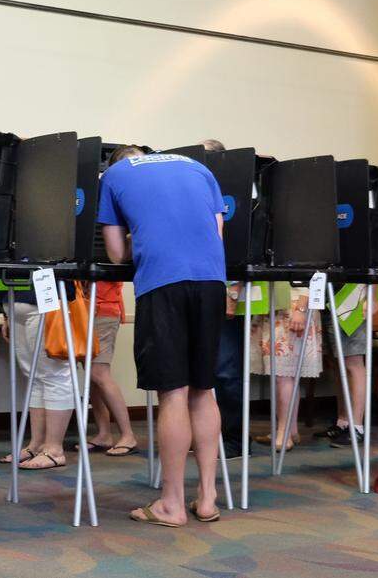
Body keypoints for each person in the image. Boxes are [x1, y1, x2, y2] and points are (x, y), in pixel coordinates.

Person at [98, 144, 226, 527]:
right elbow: (216, 232)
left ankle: (171, 503)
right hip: (211, 280)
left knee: (173, 394)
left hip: (163, 282)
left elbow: (117, 252)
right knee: (203, 391)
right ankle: (207, 496)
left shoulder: (114, 175)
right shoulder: (197, 167)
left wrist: (142, 232)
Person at [201, 138, 247, 458]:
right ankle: (208, 435)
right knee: (205, 371)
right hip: (201, 291)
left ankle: (232, 438)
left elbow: (239, 250)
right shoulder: (197, 192)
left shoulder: (236, 195)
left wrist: (232, 292)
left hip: (227, 291)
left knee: (227, 371)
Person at [0, 290, 76, 470]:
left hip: (45, 300)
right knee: (34, 377)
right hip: (14, 303)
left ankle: (54, 450)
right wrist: (6, 315)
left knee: (53, 375)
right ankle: (37, 445)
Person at [250, 284, 321, 450]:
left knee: (282, 374)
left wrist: (301, 309)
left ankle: (284, 432)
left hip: (295, 305)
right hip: (278, 303)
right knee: (285, 374)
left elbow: (311, 272)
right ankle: (291, 429)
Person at [316, 291, 377, 449]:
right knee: (338, 365)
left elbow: (372, 266)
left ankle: (356, 426)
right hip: (330, 298)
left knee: (353, 363)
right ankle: (343, 422)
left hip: (351, 299)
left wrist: (371, 297)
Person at [85, 280, 139, 456]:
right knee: (93, 377)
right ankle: (104, 434)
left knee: (98, 373)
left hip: (102, 308)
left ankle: (128, 435)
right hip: (89, 307)